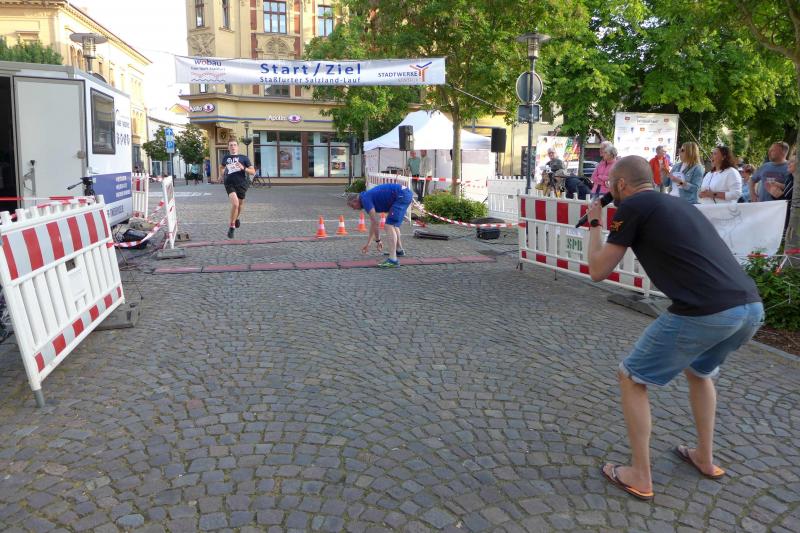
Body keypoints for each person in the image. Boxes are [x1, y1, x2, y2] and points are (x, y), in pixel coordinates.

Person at [586, 155, 763, 501]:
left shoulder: (633, 206)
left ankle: (640, 474)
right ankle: (704, 458)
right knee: (699, 372)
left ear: (621, 185)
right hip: (750, 307)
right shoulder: (677, 204)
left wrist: (595, 223)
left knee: (631, 377)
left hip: (705, 310)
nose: (609, 191)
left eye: (610, 186)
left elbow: (597, 270)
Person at [346, 183, 413, 268]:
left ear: (355, 200)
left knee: (389, 225)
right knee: (393, 225)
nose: (354, 209)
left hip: (401, 195)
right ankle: (399, 250)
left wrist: (378, 240)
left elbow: (375, 222)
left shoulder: (365, 199)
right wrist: (369, 243)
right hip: (404, 194)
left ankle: (393, 260)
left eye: (352, 206)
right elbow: (373, 223)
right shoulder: (366, 196)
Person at [218, 140, 255, 238]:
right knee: (235, 204)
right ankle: (232, 226)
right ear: (228, 147)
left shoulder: (244, 158)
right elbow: (221, 167)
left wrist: (244, 168)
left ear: (237, 147)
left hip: (241, 184)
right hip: (229, 183)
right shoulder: (226, 158)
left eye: (234, 145)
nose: (233, 147)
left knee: (240, 205)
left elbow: (253, 171)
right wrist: (221, 174)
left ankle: (236, 218)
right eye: (231, 145)